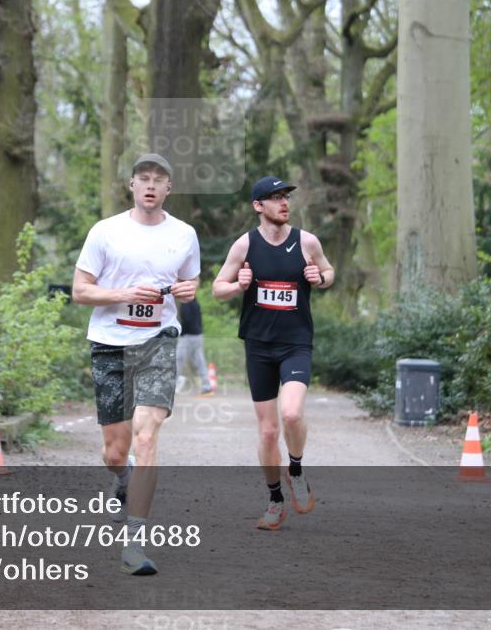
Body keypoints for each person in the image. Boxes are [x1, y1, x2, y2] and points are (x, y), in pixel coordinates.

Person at [72, 153, 200, 574]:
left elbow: (190, 283)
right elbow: (80, 291)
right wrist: (125, 294)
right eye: (143, 178)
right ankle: (121, 478)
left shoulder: (184, 234)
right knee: (116, 452)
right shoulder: (105, 232)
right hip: (109, 344)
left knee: (147, 437)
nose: (150, 185)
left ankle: (134, 543)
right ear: (131, 185)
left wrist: (186, 290)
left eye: (158, 180)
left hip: (158, 342)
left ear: (168, 189)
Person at [211, 176, 334, 530]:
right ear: (258, 205)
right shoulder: (244, 245)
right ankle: (275, 500)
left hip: (296, 343)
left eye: (286, 198)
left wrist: (319, 278)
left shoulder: (306, 241)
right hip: (258, 346)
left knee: (292, 414)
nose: (284, 203)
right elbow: (219, 288)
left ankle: (295, 469)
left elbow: (328, 271)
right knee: (267, 432)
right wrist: (239, 285)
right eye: (275, 198)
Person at [176, 297, 213, 397]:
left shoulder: (186, 302)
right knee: (199, 360)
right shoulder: (195, 301)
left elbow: (187, 320)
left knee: (178, 359)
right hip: (197, 334)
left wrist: (180, 331)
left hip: (188, 336)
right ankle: (206, 385)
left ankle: (172, 385)